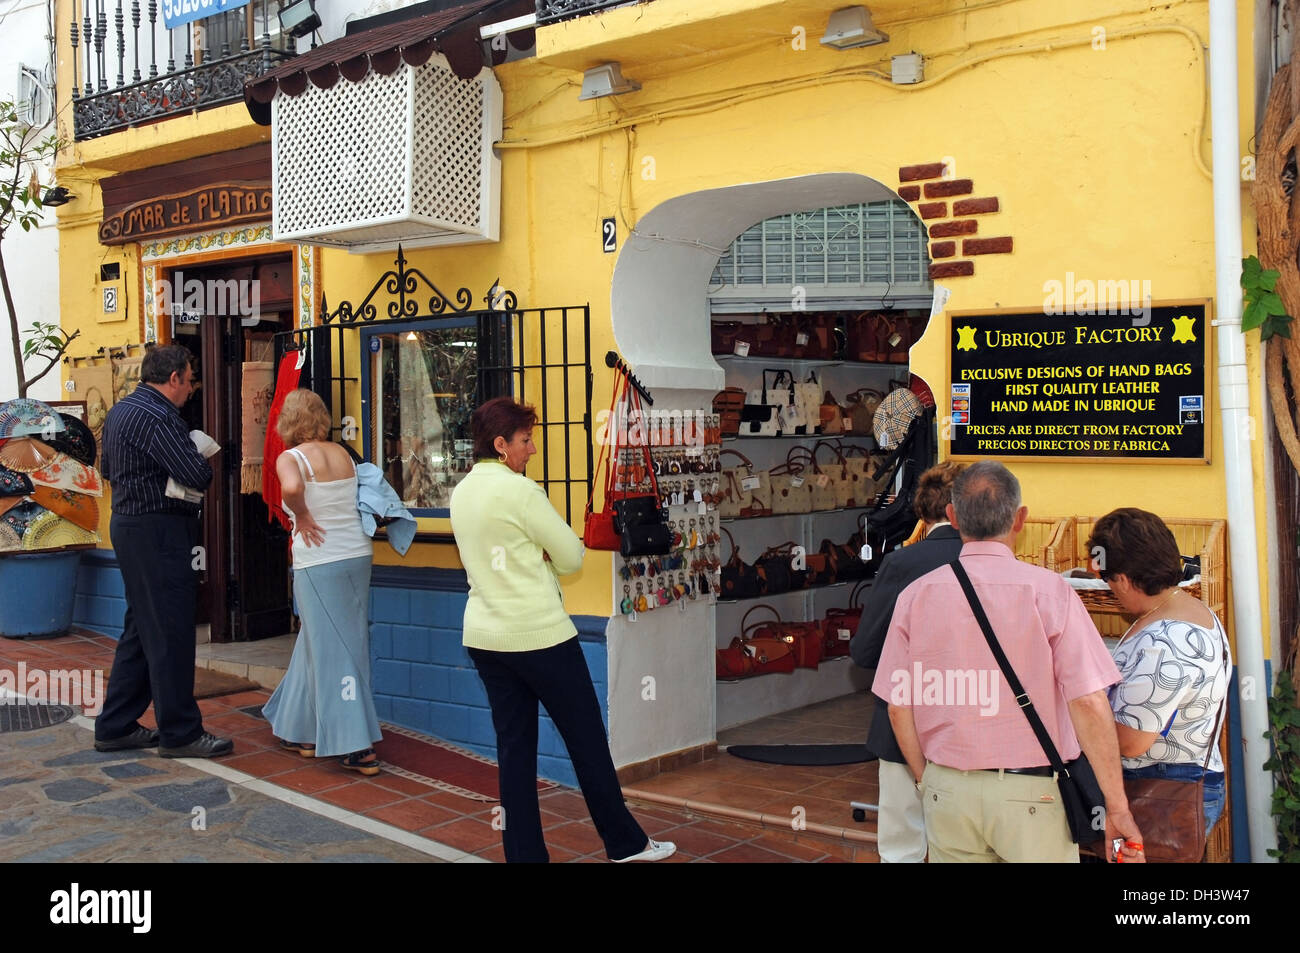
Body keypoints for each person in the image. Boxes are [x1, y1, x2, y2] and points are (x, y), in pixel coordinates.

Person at [872, 460, 1144, 862]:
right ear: (1020, 519)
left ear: (952, 515)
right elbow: (1088, 702)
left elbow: (898, 707)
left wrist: (925, 778)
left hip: (948, 789)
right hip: (1032, 796)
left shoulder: (916, 595)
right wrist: (1117, 806)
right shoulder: (1051, 593)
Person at [449, 396, 674, 863]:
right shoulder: (520, 492)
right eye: (525, 440)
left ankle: (525, 856)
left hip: (486, 638)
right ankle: (626, 844)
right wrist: (541, 552)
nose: (531, 449)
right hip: (540, 637)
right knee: (586, 741)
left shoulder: (462, 491)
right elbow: (572, 556)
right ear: (500, 444)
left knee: (513, 751)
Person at [94, 345, 232, 758]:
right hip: (158, 529)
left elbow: (106, 470)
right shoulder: (157, 415)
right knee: (170, 627)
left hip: (129, 524)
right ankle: (180, 732)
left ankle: (116, 724)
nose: (191, 389)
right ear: (173, 378)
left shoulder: (121, 410)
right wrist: (198, 455)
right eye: (190, 380)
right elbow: (194, 473)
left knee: (142, 627)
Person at [1087, 508, 1232, 833]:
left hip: (1159, 790)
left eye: (1107, 579)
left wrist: (1081, 714)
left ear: (1122, 580)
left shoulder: (1165, 642)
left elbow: (1131, 741)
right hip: (1182, 780)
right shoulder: (1189, 609)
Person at [262, 389, 384, 776]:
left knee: (336, 649)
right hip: (357, 555)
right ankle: (300, 729)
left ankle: (356, 745)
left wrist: (303, 517)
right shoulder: (343, 453)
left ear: (288, 421)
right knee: (320, 640)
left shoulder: (290, 457)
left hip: (319, 560)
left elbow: (293, 489)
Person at [851, 461, 965, 862]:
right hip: (971, 717)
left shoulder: (903, 564)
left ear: (921, 511)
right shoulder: (996, 560)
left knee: (903, 840)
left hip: (908, 715)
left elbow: (865, 650)